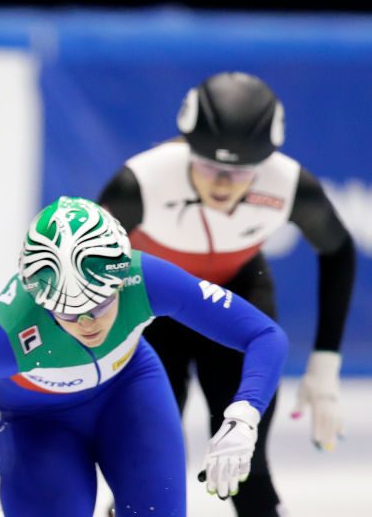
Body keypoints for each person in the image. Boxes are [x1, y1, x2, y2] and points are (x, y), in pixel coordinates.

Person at [0, 196, 288, 517]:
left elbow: (265, 334)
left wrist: (244, 414)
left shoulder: (142, 278)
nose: (87, 323)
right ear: (41, 300)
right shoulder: (6, 331)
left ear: (120, 280)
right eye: (68, 313)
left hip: (129, 394)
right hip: (37, 421)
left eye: (99, 305)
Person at [98, 72, 356, 515]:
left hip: (237, 299)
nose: (223, 184)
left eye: (240, 173)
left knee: (245, 467)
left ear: (265, 163)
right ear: (186, 150)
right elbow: (83, 262)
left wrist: (326, 363)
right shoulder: (139, 183)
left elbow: (338, 251)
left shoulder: (290, 185)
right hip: (154, 310)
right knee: (146, 464)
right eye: (209, 167)